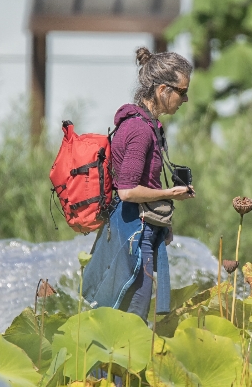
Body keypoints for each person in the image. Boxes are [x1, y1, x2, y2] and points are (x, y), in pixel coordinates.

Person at [82, 47, 195, 323]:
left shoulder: (149, 126)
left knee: (129, 317)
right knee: (131, 318)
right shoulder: (139, 130)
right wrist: (170, 194)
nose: (186, 99)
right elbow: (128, 191)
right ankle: (105, 369)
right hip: (132, 233)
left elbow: (144, 182)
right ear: (162, 91)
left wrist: (163, 223)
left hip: (140, 229)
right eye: (182, 91)